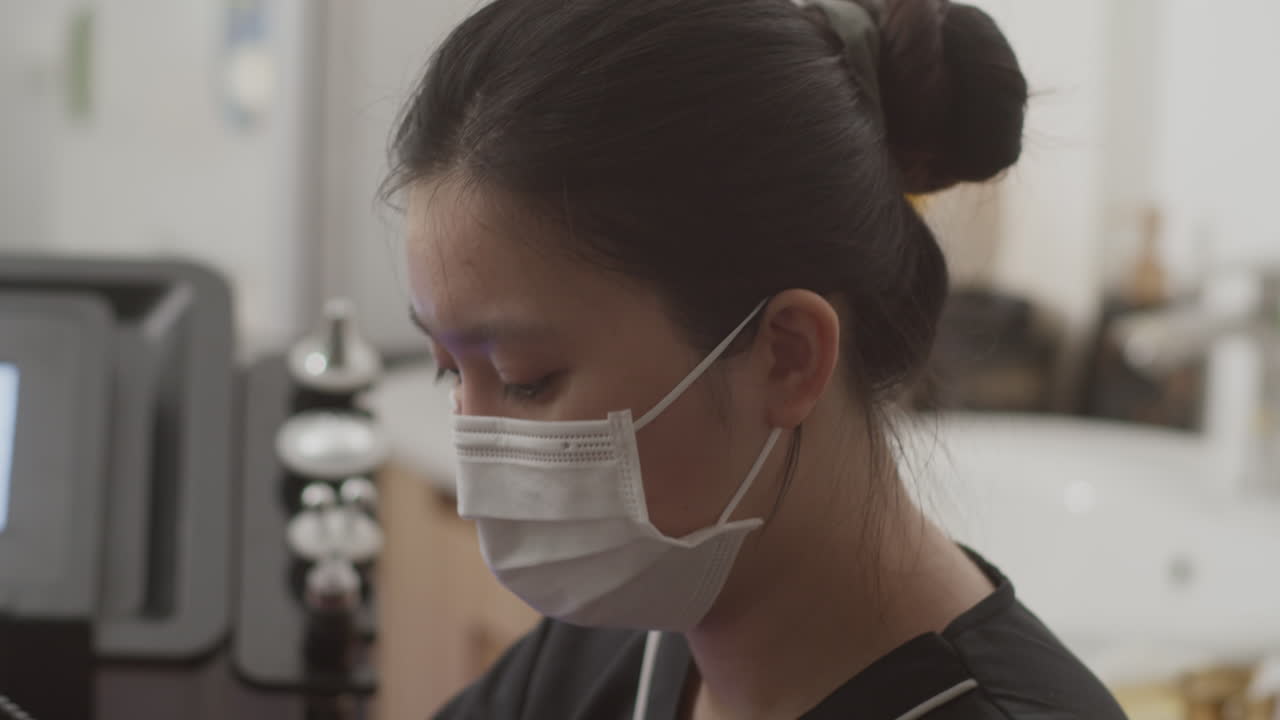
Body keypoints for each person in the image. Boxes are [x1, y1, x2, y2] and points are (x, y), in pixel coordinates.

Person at [388, 0, 1128, 717]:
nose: (475, 468)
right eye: (450, 369)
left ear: (788, 357)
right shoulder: (609, 650)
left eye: (525, 378)